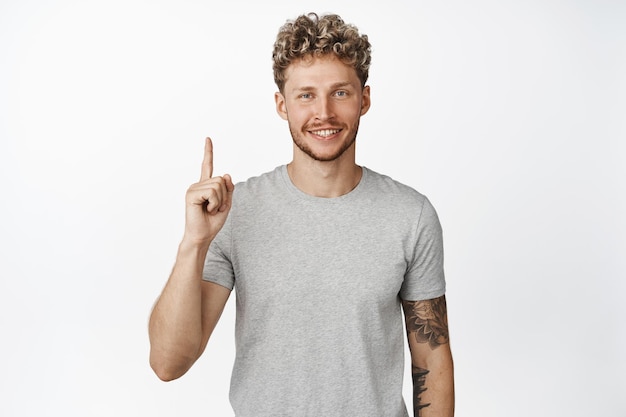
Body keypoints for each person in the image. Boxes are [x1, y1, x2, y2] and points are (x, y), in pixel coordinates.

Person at [149, 12, 454, 417]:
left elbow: (431, 362)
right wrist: (194, 243)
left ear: (364, 99)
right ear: (282, 104)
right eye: (305, 94)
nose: (323, 112)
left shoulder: (410, 215)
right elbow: (169, 363)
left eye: (340, 93)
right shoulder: (235, 211)